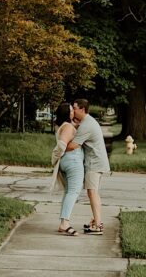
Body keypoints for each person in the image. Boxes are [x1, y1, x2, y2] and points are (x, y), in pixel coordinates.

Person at [73, 98, 111, 235]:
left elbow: (73, 145)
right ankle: (96, 221)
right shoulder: (87, 122)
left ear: (82, 109)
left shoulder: (86, 125)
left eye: (75, 108)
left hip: (94, 163)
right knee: (93, 193)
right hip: (97, 162)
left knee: (92, 193)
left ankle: (98, 225)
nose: (73, 111)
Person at [51, 101, 84, 235]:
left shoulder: (64, 126)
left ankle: (63, 223)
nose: (73, 112)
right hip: (73, 162)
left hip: (68, 162)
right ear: (66, 113)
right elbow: (61, 145)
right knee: (73, 192)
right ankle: (65, 223)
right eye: (71, 110)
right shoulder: (68, 127)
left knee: (69, 192)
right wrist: (54, 158)